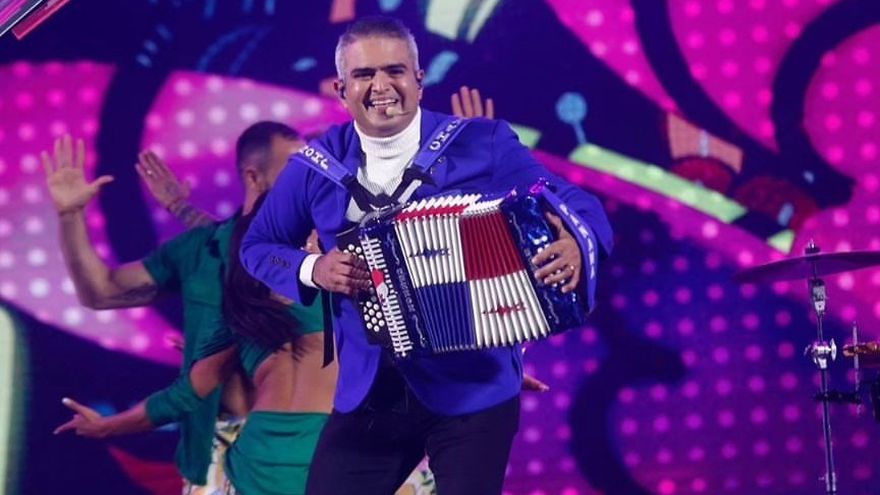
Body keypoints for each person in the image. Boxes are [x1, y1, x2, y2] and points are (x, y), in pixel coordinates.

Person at [240, 16, 613, 495]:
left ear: (419, 79)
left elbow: (576, 204)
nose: (381, 87)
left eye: (394, 71)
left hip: (475, 385)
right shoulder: (317, 167)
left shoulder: (483, 144)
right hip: (371, 388)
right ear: (341, 89)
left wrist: (577, 244)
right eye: (364, 75)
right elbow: (258, 246)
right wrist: (314, 268)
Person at [43, 121, 309, 493]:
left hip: (300, 451)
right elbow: (101, 292)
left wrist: (181, 208)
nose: (308, 179)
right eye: (295, 168)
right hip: (217, 454)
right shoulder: (202, 250)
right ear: (253, 176)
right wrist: (70, 216)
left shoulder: (318, 252)